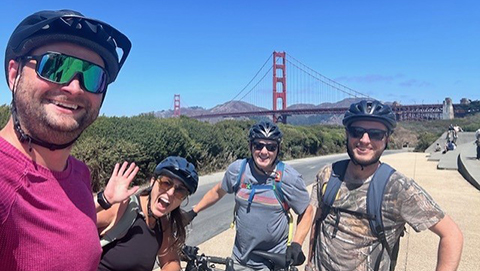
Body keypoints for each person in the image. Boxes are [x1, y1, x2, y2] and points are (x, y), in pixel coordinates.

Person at [0, 9, 131, 271]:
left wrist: (104, 199)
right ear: (14, 74)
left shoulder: (79, 173)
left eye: (93, 76)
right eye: (56, 65)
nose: (74, 86)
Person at [306, 100, 463, 271]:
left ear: (386, 139)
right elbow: (318, 222)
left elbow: (452, 235)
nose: (364, 140)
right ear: (347, 134)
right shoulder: (328, 175)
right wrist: (309, 264)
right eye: (356, 131)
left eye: (375, 134)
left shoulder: (397, 188)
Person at [185, 120, 313, 271]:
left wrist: (297, 244)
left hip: (273, 262)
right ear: (250, 146)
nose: (264, 152)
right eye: (259, 145)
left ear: (278, 149)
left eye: (271, 147)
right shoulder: (238, 170)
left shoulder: (288, 178)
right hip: (240, 259)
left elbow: (307, 211)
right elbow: (217, 191)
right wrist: (193, 212)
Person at [96, 156, 199, 271]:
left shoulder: (162, 224)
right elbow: (75, 221)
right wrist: (104, 200)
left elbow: (170, 261)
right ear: (153, 181)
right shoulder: (123, 208)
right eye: (166, 183)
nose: (170, 192)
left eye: (180, 191)